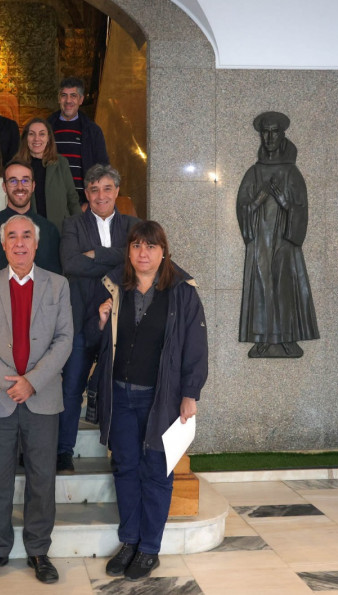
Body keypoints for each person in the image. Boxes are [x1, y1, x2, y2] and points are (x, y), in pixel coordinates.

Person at [84, 221, 208, 582]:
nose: (143, 253)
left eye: (151, 247)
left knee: (156, 471)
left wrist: (190, 395)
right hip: (120, 395)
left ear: (163, 252)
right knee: (125, 468)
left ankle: (149, 548)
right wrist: (100, 321)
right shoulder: (113, 286)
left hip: (161, 399)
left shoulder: (182, 292)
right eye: (137, 245)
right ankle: (129, 541)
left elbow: (195, 348)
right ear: (129, 251)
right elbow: (90, 342)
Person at [0, 215, 73, 584]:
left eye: (26, 235)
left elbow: (64, 339)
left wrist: (33, 382)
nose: (19, 242)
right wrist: (8, 381)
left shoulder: (58, 285)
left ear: (36, 243)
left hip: (42, 397)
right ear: (3, 245)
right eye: (12, 236)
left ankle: (38, 550)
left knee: (42, 477)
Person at [57, 164, 138, 473]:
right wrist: (116, 255)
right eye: (94, 190)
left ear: (116, 191)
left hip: (119, 321)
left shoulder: (133, 224)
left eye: (107, 188)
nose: (100, 195)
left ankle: (119, 450)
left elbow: (135, 262)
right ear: (86, 194)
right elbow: (71, 264)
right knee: (71, 388)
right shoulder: (72, 224)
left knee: (118, 388)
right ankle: (63, 451)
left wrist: (95, 254)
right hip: (79, 318)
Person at [237, 111, 319, 357]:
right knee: (261, 286)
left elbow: (301, 208)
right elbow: (243, 207)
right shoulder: (254, 172)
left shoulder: (292, 173)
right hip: (261, 240)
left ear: (282, 135)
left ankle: (286, 338)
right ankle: (262, 338)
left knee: (284, 286)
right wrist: (258, 200)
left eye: (274, 132)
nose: (270, 138)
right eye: (265, 132)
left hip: (284, 241)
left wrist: (285, 202)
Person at [0, 160, 61, 280]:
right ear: (4, 187)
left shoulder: (49, 229)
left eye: (25, 181)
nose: (20, 187)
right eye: (13, 181)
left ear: (33, 186)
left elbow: (55, 278)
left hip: (40, 292)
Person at [47, 77, 110, 204]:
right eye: (64, 95)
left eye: (73, 96)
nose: (68, 100)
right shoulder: (46, 128)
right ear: (59, 98)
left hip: (83, 201)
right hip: (52, 199)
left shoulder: (92, 131)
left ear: (81, 100)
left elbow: (102, 168)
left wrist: (91, 201)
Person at [14, 118, 79, 232]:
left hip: (59, 231)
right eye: (32, 134)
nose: (36, 139)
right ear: (25, 138)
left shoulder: (61, 163)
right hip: (28, 232)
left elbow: (72, 198)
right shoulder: (16, 166)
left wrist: (81, 228)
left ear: (48, 138)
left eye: (42, 134)